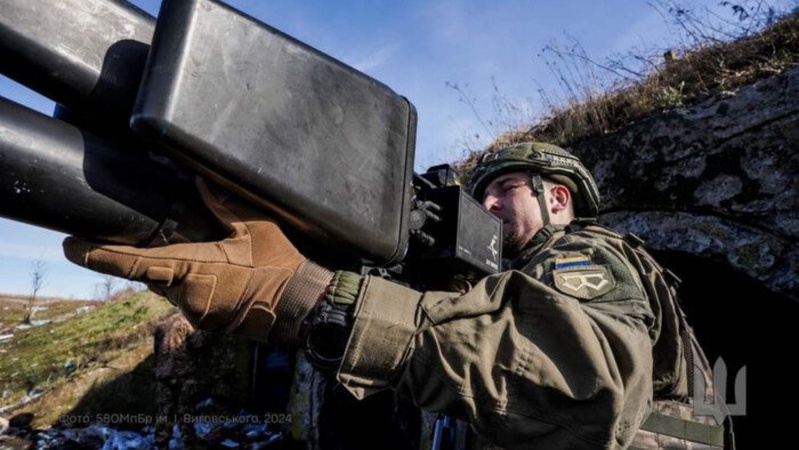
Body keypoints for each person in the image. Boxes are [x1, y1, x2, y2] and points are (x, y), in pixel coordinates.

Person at [63, 141, 724, 449]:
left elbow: (584, 380)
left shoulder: (583, 251)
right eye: (478, 193)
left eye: (505, 188)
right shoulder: (498, 284)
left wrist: (310, 297)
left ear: (557, 198)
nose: (486, 202)